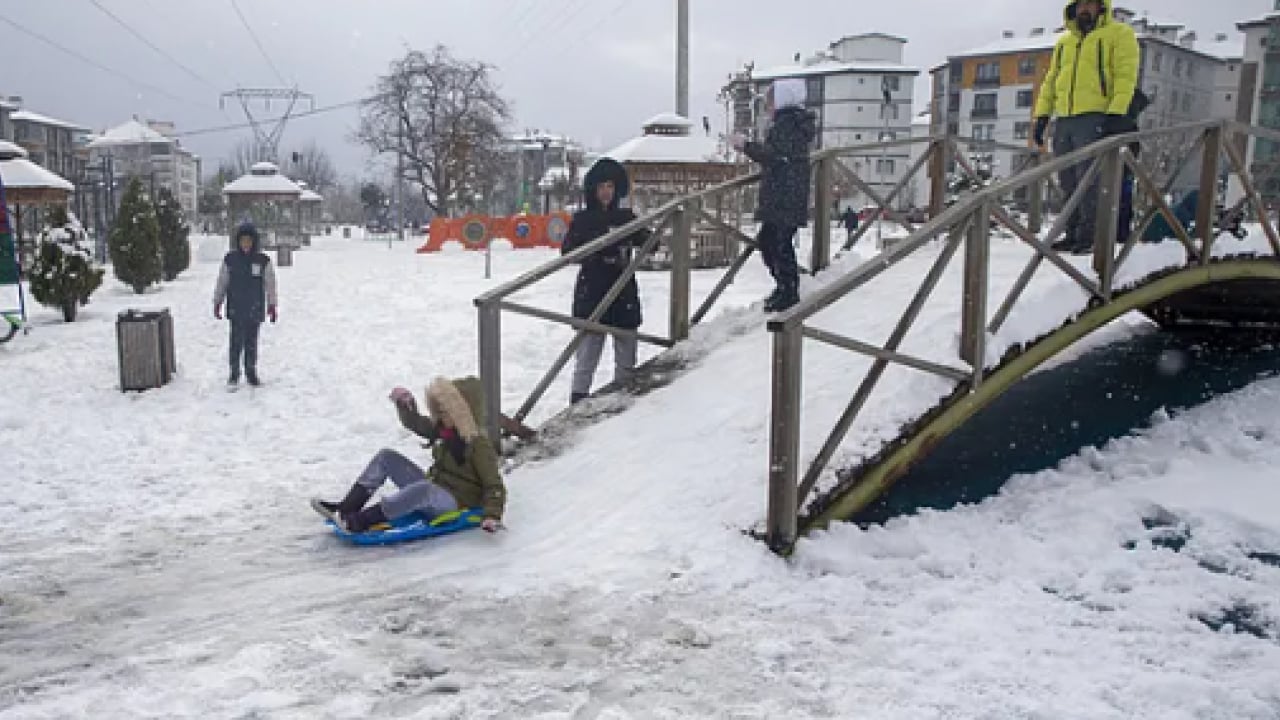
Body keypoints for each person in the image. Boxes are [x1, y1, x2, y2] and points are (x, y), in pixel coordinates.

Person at [311, 376, 506, 533]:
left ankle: (361, 521)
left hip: (456, 501)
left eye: (446, 412)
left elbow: (494, 485)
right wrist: (406, 405)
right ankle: (346, 508)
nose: (441, 417)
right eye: (440, 411)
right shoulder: (445, 430)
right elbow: (417, 424)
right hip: (436, 487)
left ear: (463, 414)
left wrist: (492, 515)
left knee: (422, 490)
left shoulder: (479, 444)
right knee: (386, 457)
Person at [1032, 0, 1140, 255]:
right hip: (1066, 116)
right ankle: (1073, 232)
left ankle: (1090, 236)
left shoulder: (1119, 34)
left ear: (1101, 7)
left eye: (1090, 4)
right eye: (1080, 5)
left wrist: (1117, 114)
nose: (1084, 10)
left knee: (1091, 179)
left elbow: (1125, 76)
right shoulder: (1065, 43)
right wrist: (1042, 115)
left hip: (1096, 115)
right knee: (1067, 179)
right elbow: (1051, 81)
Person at [561, 157, 651, 405]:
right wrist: (598, 247)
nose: (605, 192)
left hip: (623, 290)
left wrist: (641, 237)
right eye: (601, 187)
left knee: (626, 354)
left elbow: (649, 242)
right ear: (593, 189)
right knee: (587, 356)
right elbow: (567, 252)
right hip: (593, 289)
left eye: (610, 187)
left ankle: (624, 402)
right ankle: (577, 404)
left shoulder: (626, 217)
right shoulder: (582, 219)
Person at [732, 78, 817, 312]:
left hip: (784, 195)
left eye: (770, 102)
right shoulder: (793, 123)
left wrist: (746, 146)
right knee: (771, 242)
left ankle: (788, 291)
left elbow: (774, 156)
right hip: (786, 192)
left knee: (778, 244)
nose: (768, 107)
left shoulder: (787, 124)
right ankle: (784, 287)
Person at [213, 222, 277, 386]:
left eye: (249, 241)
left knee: (251, 343)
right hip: (236, 307)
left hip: (255, 308)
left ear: (254, 242)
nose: (246, 244)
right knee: (235, 342)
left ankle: (251, 371)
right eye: (243, 241)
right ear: (238, 242)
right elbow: (222, 281)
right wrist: (218, 301)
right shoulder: (231, 260)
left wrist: (272, 305)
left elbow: (270, 284)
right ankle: (234, 372)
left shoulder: (263, 261)